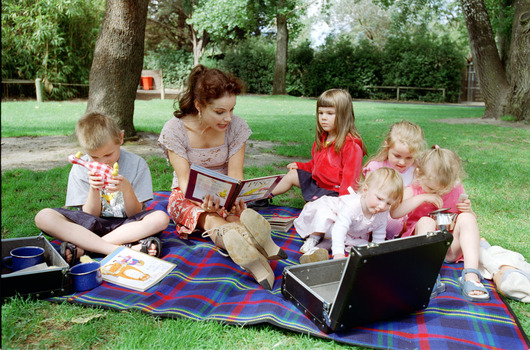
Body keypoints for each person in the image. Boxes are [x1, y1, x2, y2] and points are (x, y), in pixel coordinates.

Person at [158, 65, 286, 291]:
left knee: (235, 217)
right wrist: (207, 203)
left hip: (226, 193)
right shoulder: (175, 130)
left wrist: (235, 198)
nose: (228, 117)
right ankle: (258, 251)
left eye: (232, 109)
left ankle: (254, 254)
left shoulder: (236, 127)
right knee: (210, 218)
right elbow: (185, 181)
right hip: (188, 196)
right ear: (198, 105)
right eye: (219, 112)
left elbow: (236, 175)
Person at [35, 112, 170, 265]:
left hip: (126, 226)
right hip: (89, 227)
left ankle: (84, 249)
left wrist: (127, 190)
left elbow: (135, 214)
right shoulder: (80, 168)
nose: (103, 162)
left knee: (160, 218)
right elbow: (88, 215)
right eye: (94, 157)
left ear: (120, 138)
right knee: (43, 216)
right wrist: (94, 189)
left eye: (108, 154)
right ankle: (119, 249)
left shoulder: (137, 164)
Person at [390, 145, 490, 302]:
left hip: (449, 248)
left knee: (467, 218)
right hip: (423, 249)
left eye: (444, 190)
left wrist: (469, 210)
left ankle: (471, 275)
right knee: (425, 221)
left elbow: (471, 223)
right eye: (431, 189)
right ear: (419, 175)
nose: (438, 194)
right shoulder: (415, 190)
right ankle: (428, 274)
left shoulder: (456, 189)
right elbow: (394, 212)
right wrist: (422, 198)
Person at [253, 89, 366, 208]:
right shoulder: (323, 138)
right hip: (318, 184)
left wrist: (342, 205)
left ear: (344, 115)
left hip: (335, 193)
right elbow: (316, 165)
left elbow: (350, 180)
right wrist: (301, 166)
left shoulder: (351, 145)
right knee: (292, 174)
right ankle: (261, 198)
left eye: (330, 113)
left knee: (310, 208)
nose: (323, 117)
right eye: (320, 113)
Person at [294, 167, 403, 263]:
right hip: (333, 214)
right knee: (325, 219)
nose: (382, 206)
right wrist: (338, 254)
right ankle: (314, 238)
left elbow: (379, 236)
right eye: (379, 199)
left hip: (350, 231)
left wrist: (376, 254)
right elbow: (339, 230)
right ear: (365, 190)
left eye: (388, 203)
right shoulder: (352, 207)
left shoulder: (382, 213)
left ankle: (316, 252)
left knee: (360, 245)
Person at [362, 120, 426, 239]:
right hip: (377, 212)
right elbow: (366, 197)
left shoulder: (416, 171)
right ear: (387, 147)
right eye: (397, 156)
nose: (402, 162)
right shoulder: (377, 167)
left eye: (409, 158)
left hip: (405, 218)